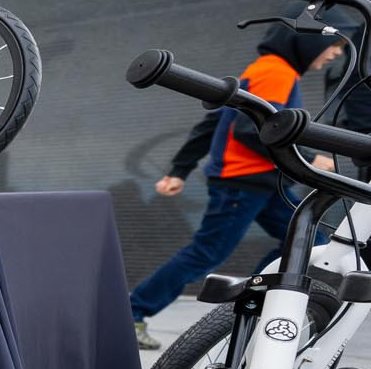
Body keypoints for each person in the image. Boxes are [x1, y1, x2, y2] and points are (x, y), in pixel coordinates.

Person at [131, 18, 347, 349]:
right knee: (206, 253)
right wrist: (307, 156)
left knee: (310, 241)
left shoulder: (264, 70)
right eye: (334, 46)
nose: (334, 54)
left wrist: (179, 169)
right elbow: (255, 128)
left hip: (262, 183)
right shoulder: (276, 72)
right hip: (242, 181)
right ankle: (133, 312)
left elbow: (214, 121)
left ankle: (249, 303)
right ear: (310, 43)